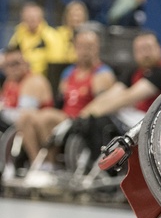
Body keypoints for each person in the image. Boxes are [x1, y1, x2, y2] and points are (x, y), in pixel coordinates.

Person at [13, 30, 115, 163]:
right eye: (81, 46)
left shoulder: (102, 74)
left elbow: (103, 105)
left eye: (89, 47)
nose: (85, 51)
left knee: (46, 118)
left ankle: (51, 163)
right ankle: (37, 162)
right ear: (75, 48)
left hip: (82, 122)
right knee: (25, 118)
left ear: (97, 48)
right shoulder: (68, 73)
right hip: (64, 118)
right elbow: (60, 102)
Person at [0, 48, 54, 134]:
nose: (12, 69)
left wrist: (2, 111)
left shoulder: (33, 81)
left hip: (38, 132)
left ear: (26, 63)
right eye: (8, 65)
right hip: (14, 129)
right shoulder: (9, 82)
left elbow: (24, 118)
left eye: (16, 64)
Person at [7, 3, 57, 78]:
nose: (31, 20)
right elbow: (10, 54)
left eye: (34, 17)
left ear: (41, 18)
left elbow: (55, 64)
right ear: (23, 19)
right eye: (28, 17)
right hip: (21, 77)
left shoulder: (50, 35)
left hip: (41, 78)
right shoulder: (18, 34)